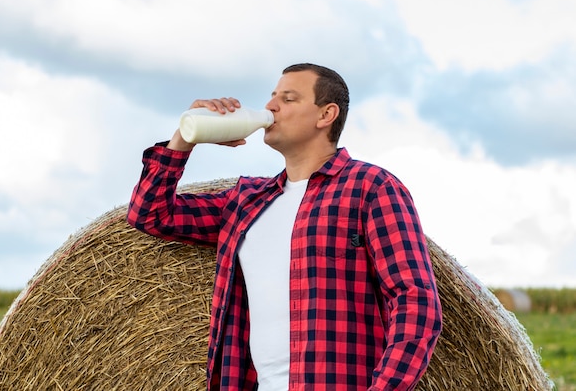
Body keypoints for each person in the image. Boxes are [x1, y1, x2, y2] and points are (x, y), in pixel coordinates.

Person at [127, 63, 442, 390]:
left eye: (288, 99)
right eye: (272, 96)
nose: (270, 107)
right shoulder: (246, 201)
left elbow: (415, 301)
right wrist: (184, 137)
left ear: (326, 115)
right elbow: (150, 214)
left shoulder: (371, 188)